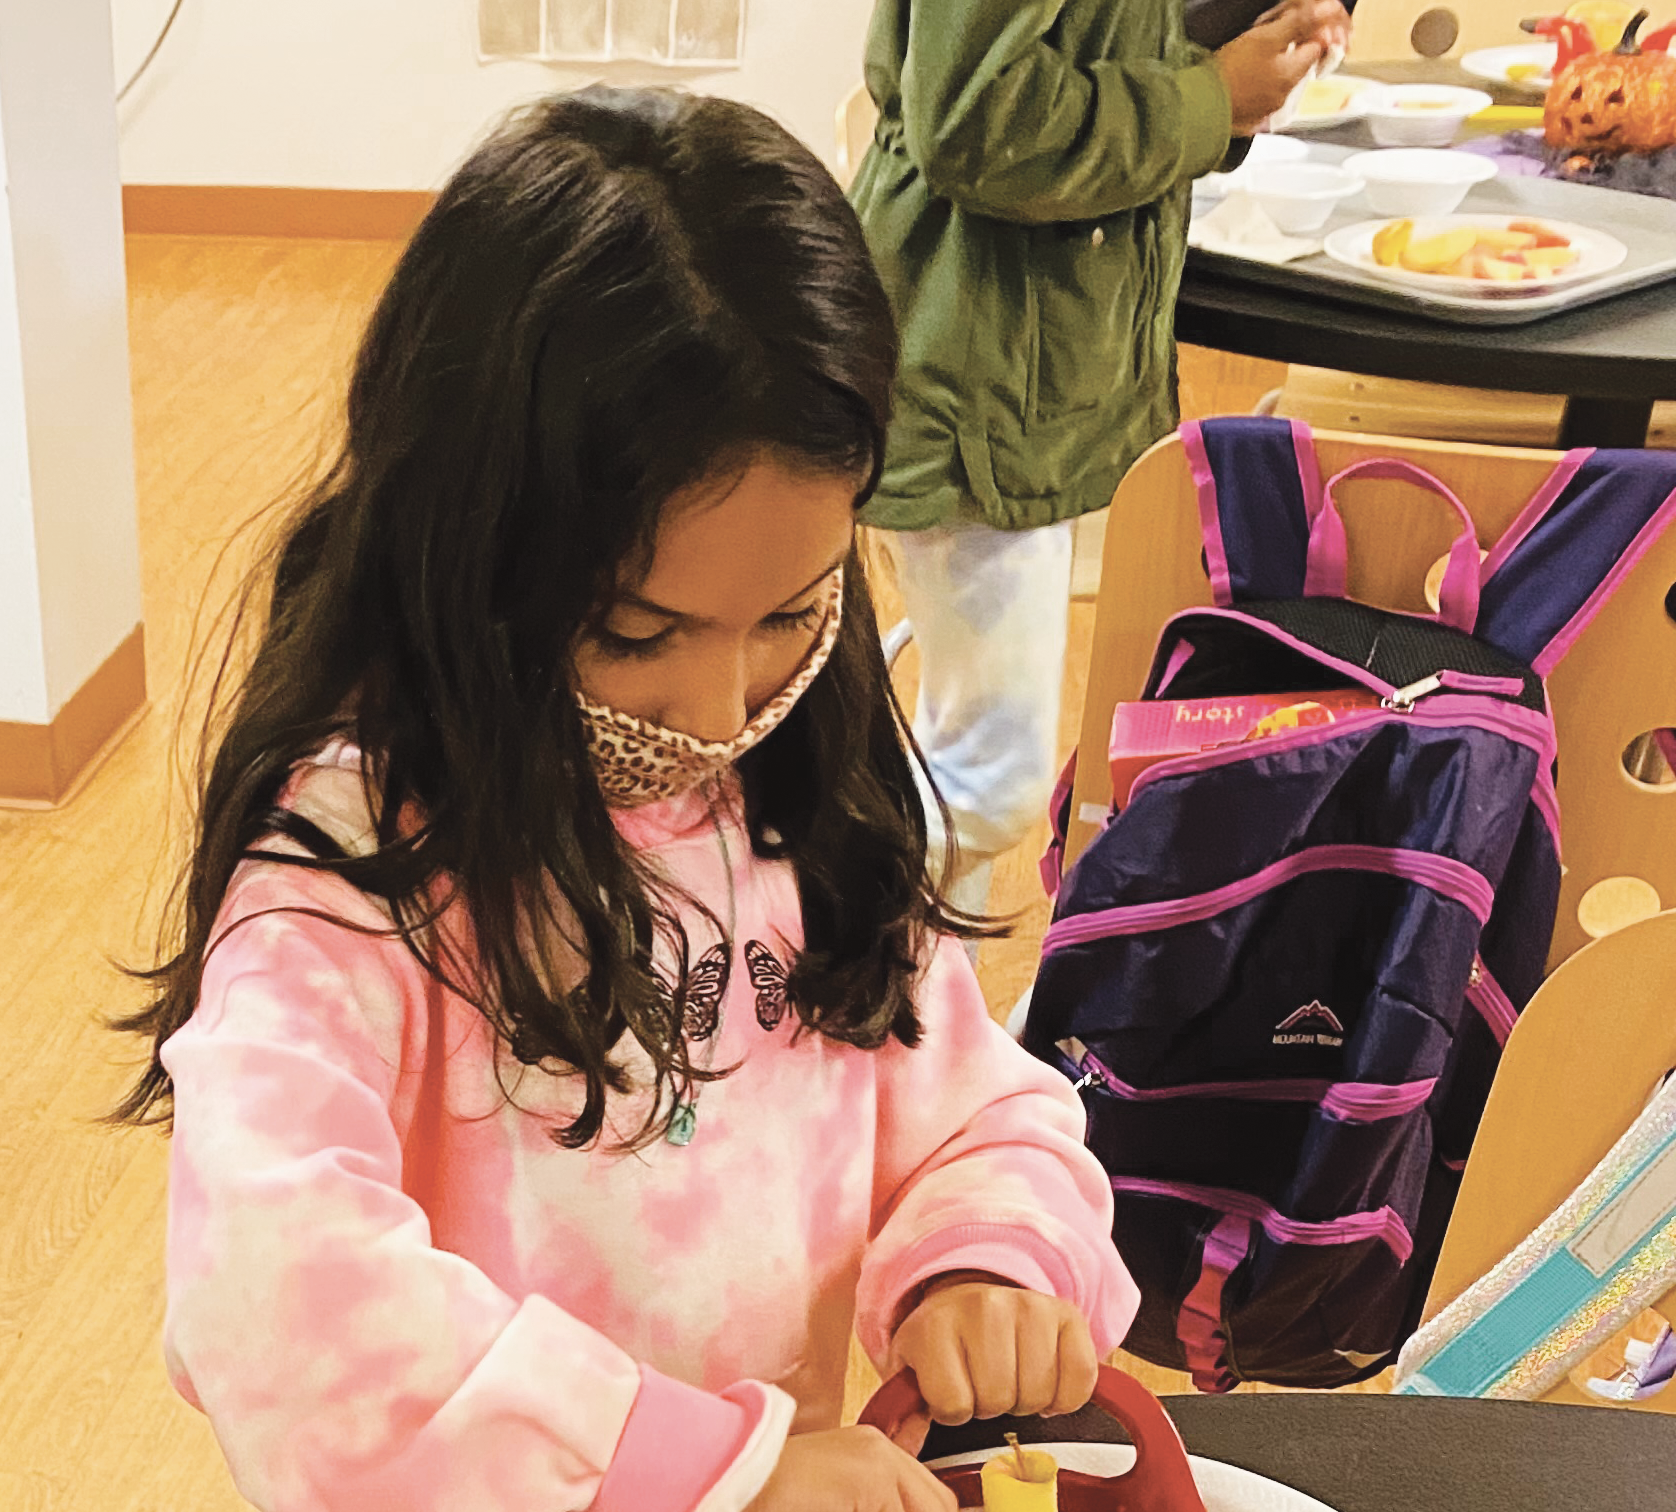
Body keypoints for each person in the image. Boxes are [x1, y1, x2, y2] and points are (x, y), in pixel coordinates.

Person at [117, 88, 1137, 1512]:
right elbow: (280, 1297)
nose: (722, 715)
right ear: (472, 558)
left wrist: (987, 1256)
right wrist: (714, 1476)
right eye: (641, 637)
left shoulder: (794, 802)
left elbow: (971, 1107)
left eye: (793, 614)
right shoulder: (352, 872)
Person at [850, 0, 1350, 917]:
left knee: (971, 753)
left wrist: (1230, 75)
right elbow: (973, 119)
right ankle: (875, 1027)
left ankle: (899, 1030)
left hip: (1022, 362)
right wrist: (1209, 98)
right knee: (985, 779)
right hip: (976, 365)